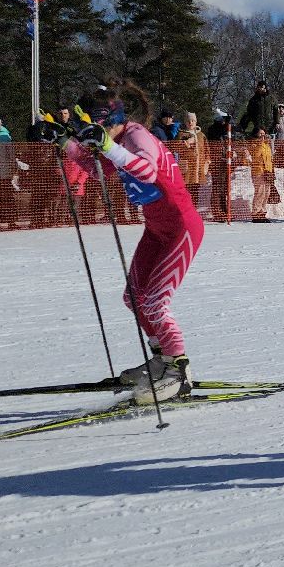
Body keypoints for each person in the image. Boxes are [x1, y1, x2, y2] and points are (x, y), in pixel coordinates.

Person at [64, 85, 206, 404]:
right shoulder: (116, 140)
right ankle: (161, 360)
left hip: (182, 228)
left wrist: (106, 147)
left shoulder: (137, 135)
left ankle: (179, 372)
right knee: (134, 298)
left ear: (108, 120)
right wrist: (67, 142)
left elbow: (146, 169)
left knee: (155, 302)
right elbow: (93, 166)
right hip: (156, 230)